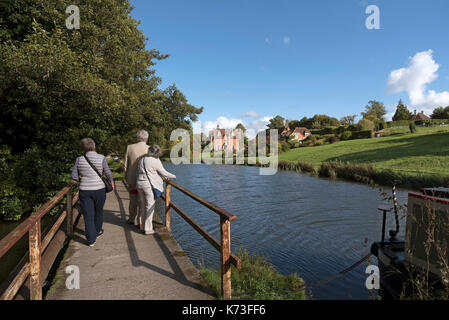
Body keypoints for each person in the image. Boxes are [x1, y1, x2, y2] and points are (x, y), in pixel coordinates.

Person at [72, 138, 114, 247]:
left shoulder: (79, 159)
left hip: (85, 190)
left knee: (88, 215)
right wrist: (112, 182)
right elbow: (107, 172)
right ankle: (97, 230)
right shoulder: (101, 157)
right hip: (99, 190)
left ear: (84, 148)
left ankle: (91, 240)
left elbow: (74, 177)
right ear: (94, 146)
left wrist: (83, 178)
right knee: (99, 211)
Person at [136, 145, 176, 235]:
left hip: (139, 183)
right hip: (148, 185)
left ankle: (142, 225)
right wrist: (174, 176)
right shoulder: (155, 161)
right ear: (157, 152)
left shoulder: (142, 159)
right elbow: (163, 172)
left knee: (142, 205)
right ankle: (148, 229)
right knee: (149, 206)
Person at [124, 130, 149, 229]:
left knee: (133, 199)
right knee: (142, 200)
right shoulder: (149, 149)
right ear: (146, 138)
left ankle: (131, 219)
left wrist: (126, 177)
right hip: (144, 179)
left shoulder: (130, 147)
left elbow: (125, 165)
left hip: (132, 179)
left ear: (137, 138)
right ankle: (140, 221)